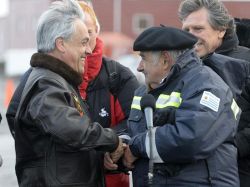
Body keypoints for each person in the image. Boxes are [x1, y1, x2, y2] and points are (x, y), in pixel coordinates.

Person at [11, 0, 124, 186]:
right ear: (61, 44)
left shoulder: (57, 80)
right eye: (83, 42)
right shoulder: (46, 84)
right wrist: (112, 140)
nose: (88, 51)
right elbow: (71, 129)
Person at [122, 26, 240, 187]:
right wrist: (120, 147)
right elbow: (135, 131)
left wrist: (136, 147)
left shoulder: (206, 85)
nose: (139, 67)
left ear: (165, 60)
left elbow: (191, 138)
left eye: (144, 58)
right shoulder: (144, 91)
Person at [178, 1, 250, 186]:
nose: (190, 36)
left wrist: (233, 147)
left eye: (198, 29)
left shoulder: (246, 63)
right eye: (186, 30)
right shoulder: (179, 67)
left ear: (221, 30)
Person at [77, 2, 139, 187]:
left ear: (97, 30)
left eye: (88, 31)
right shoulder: (48, 77)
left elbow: (136, 121)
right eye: (77, 33)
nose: (84, 39)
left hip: (110, 179)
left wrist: (113, 148)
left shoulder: (119, 76)